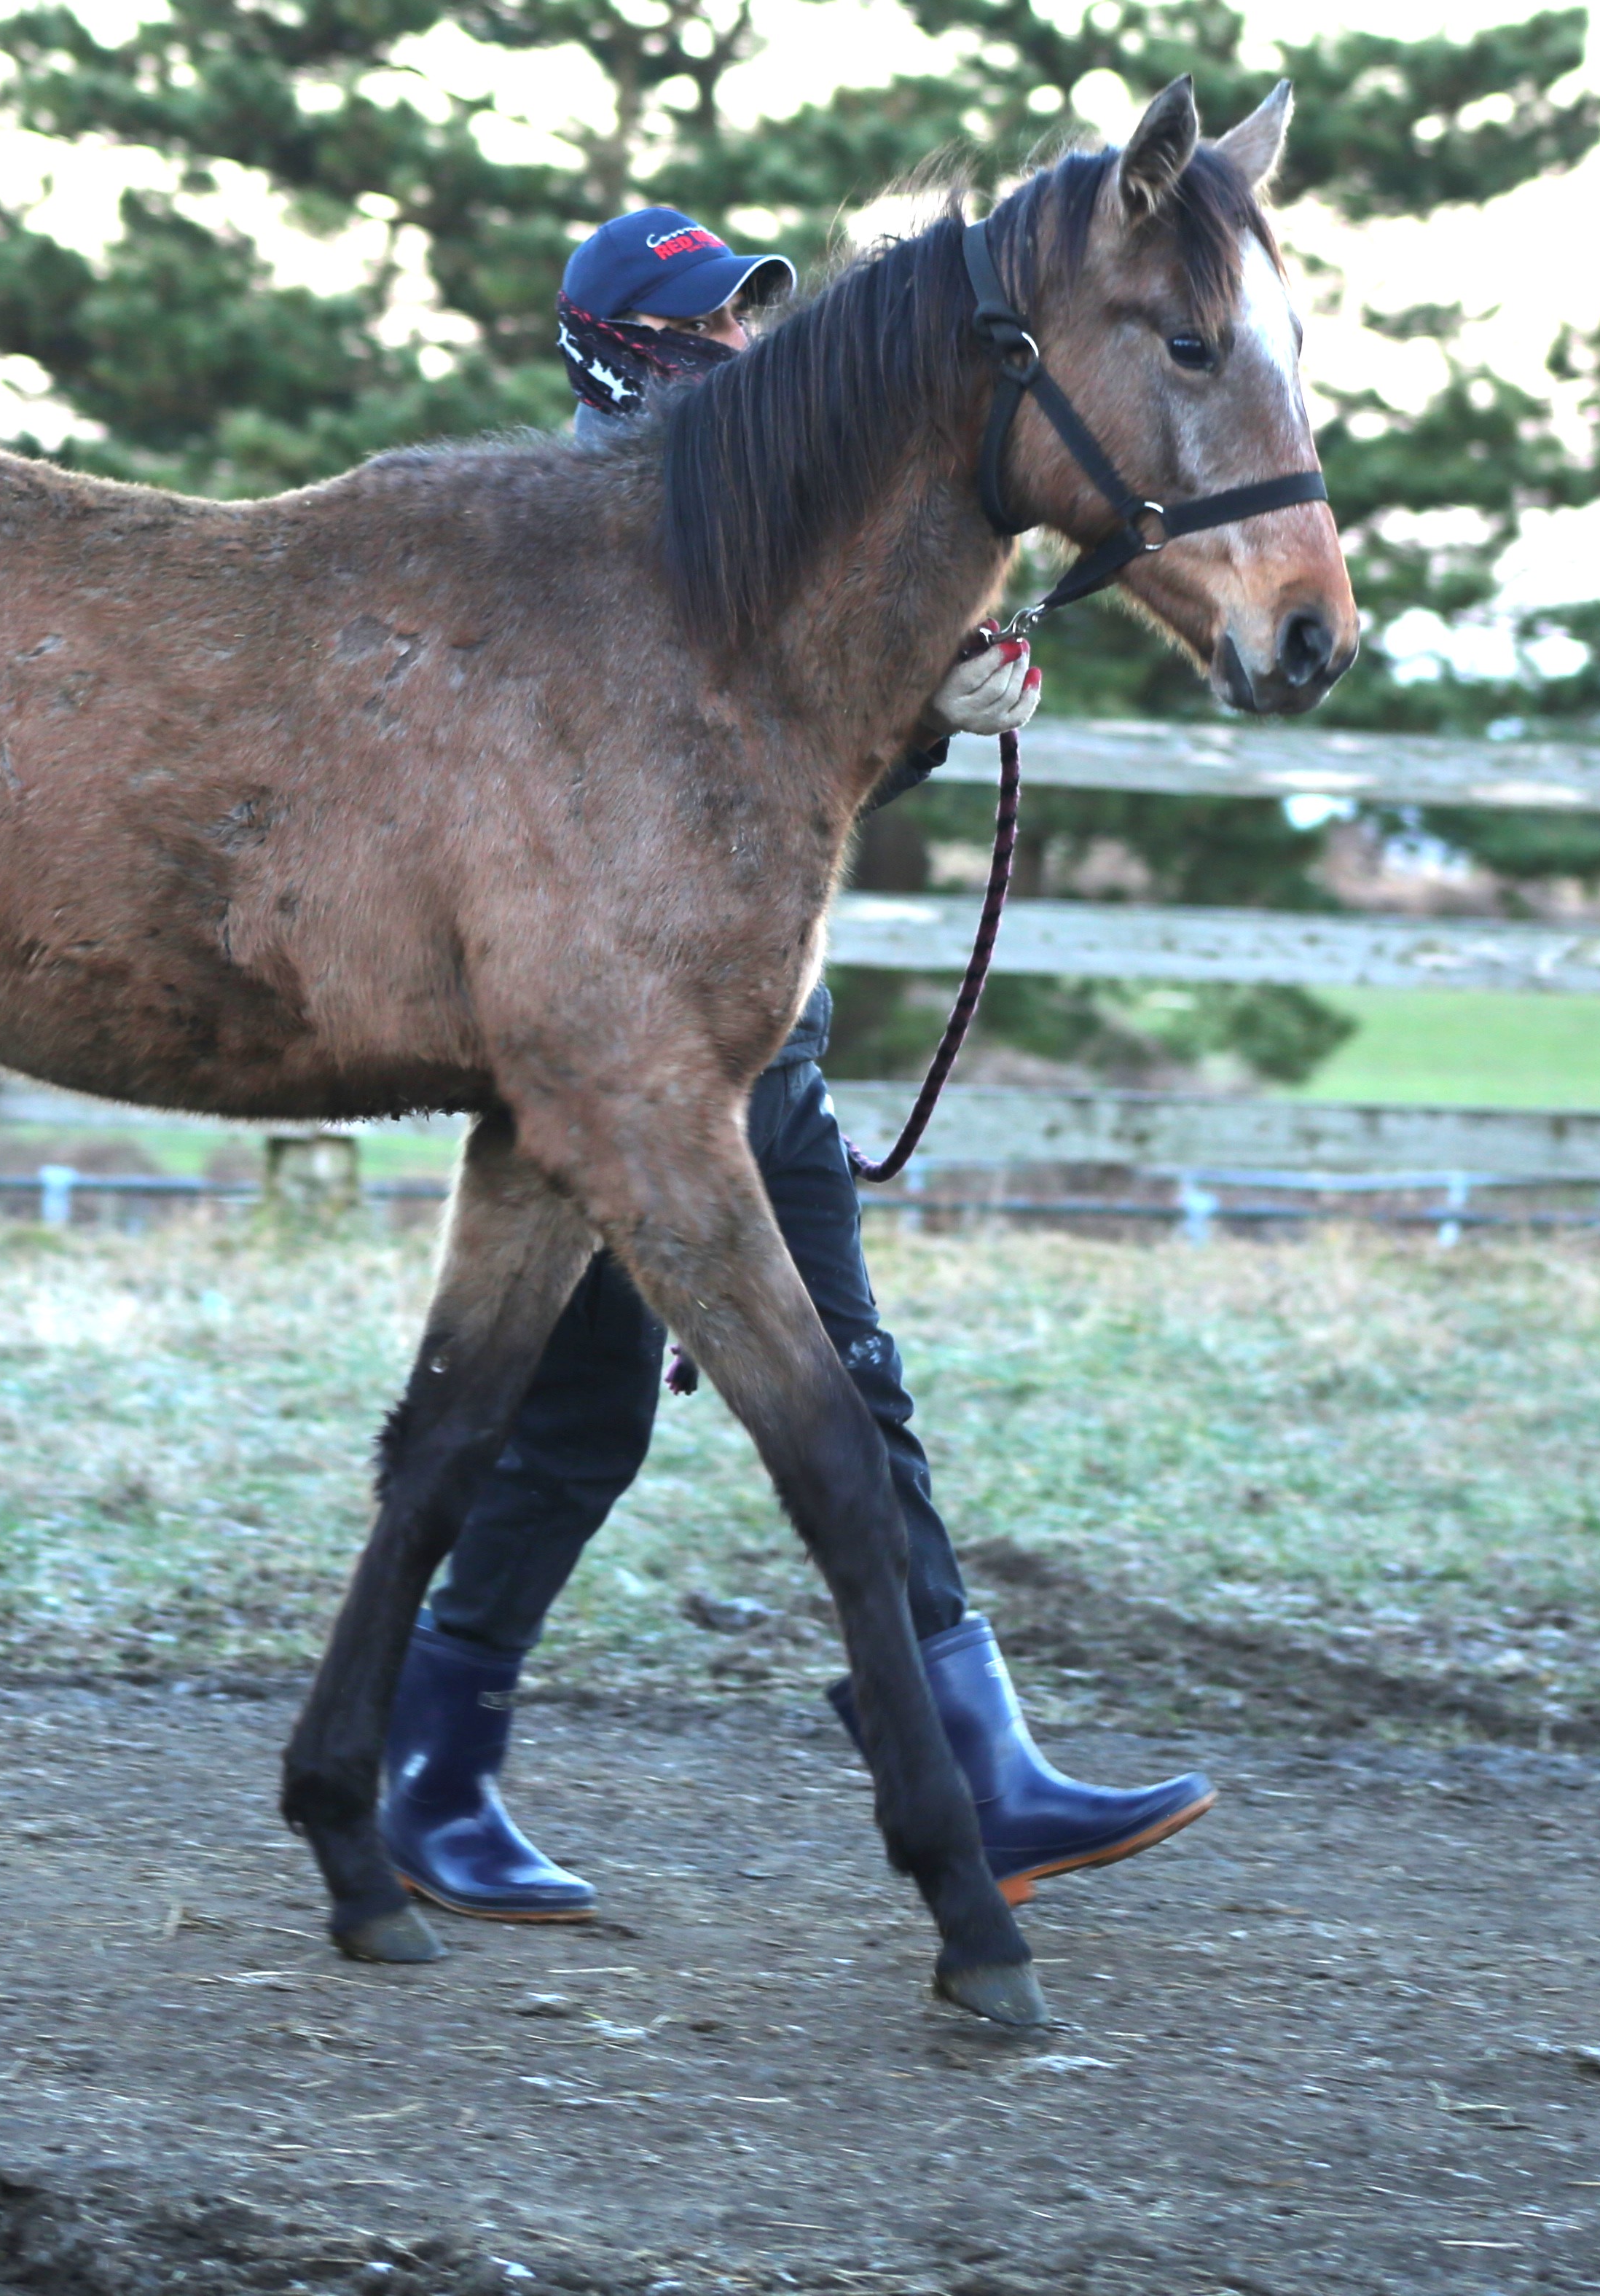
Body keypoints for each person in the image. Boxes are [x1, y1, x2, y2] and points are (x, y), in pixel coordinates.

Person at [375, 203, 1216, 1923]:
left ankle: (447, 1765)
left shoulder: (754, 521)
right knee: (633, 1416)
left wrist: (927, 703)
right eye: (698, 328)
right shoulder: (602, 547)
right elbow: (698, 785)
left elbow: (786, 783)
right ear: (615, 345)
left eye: (748, 320)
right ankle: (435, 1767)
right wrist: (919, 718)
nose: (738, 350)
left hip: (747, 1053)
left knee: (699, 1408)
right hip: (651, 1060)